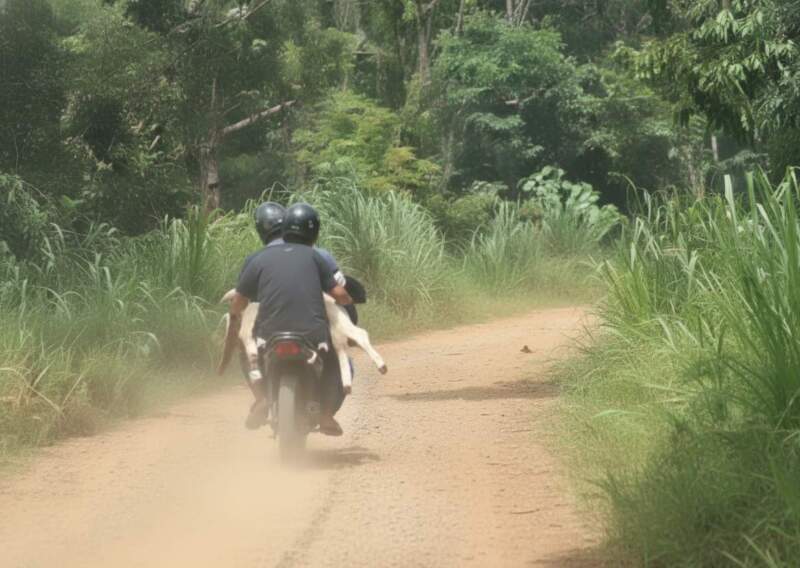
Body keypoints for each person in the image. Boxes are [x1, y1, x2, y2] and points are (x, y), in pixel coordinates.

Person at [227, 203, 353, 436]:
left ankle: (262, 398)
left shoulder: (257, 259)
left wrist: (235, 317)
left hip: (269, 332)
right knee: (335, 357)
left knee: (246, 351)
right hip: (311, 331)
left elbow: (238, 301)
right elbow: (339, 294)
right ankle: (325, 414)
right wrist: (348, 303)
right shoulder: (316, 256)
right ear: (315, 232)